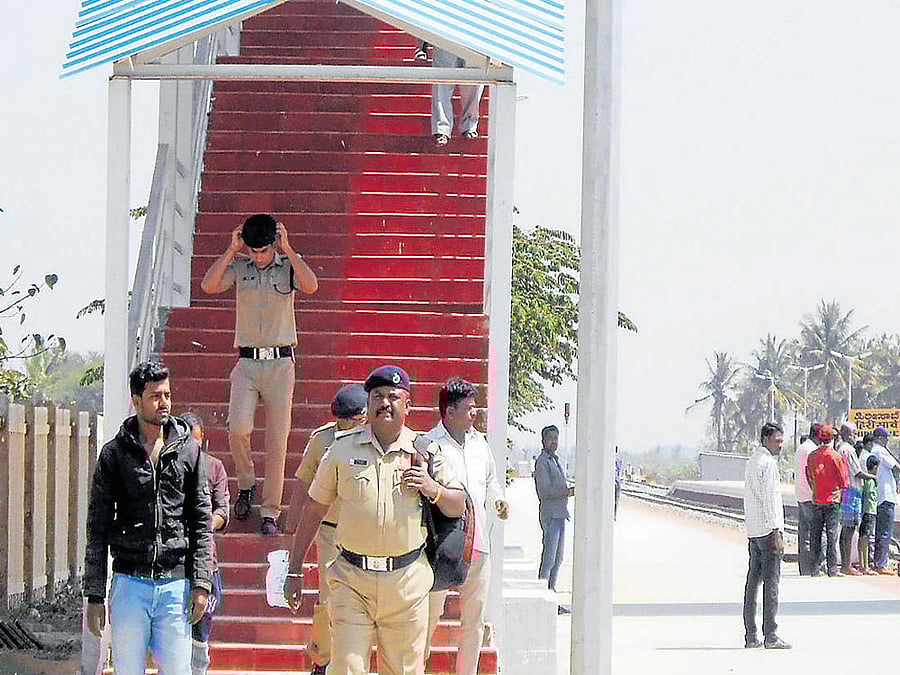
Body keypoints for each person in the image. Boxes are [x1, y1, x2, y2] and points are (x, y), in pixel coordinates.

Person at [283, 365, 466, 674]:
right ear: (367, 405)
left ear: (408, 405)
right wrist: (294, 569)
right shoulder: (341, 449)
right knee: (347, 668)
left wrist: (431, 487)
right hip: (352, 582)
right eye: (377, 396)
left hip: (406, 584)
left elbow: (458, 504)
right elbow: (314, 508)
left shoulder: (426, 451)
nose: (385, 403)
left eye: (393, 396)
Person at [83, 362, 213, 674]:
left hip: (175, 585)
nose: (165, 403)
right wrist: (95, 594)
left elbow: (201, 522)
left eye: (167, 395)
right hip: (129, 585)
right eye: (156, 396)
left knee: (178, 670)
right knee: (128, 669)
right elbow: (97, 527)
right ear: (137, 399)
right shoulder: (114, 454)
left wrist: (201, 583)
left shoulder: (189, 452)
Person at [200, 213, 318, 535]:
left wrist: (289, 249)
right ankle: (247, 482)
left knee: (277, 441)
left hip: (280, 363)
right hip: (248, 362)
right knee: (238, 427)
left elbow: (311, 285)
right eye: (253, 251)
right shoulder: (240, 268)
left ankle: (269, 512)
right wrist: (231, 250)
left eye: (263, 251)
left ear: (273, 245)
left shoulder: (286, 267)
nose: (258, 256)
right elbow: (208, 285)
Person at [424, 378, 509, 675]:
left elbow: (491, 481)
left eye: (475, 408)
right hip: (442, 547)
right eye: (469, 409)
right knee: (429, 617)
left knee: (474, 622)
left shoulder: (480, 443)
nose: (474, 414)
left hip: (478, 545)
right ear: (449, 412)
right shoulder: (429, 445)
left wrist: (499, 500)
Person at [282, 383, 368, 675]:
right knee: (328, 599)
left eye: (354, 421)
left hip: (366, 532)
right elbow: (304, 480)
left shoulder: (373, 439)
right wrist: (291, 520)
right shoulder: (322, 440)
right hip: (330, 530)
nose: (348, 427)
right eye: (342, 421)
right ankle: (322, 659)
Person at [182, 412, 230, 675]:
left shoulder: (214, 468)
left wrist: (203, 525)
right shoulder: (167, 468)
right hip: (175, 562)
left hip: (205, 562)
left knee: (201, 629)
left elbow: (223, 511)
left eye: (196, 442)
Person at [742, 422, 790, 650]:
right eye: (777, 441)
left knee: (752, 583)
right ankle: (771, 635)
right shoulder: (768, 464)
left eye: (781, 441)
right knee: (771, 584)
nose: (780, 445)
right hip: (768, 531)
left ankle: (751, 635)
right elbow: (771, 500)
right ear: (765, 440)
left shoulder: (752, 461)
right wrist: (776, 532)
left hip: (754, 530)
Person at [534, 425, 574, 607]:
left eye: (556, 438)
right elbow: (545, 491)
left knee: (558, 559)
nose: (554, 442)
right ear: (543, 440)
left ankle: (551, 597)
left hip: (560, 514)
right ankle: (542, 598)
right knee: (549, 558)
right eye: (550, 438)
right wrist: (567, 492)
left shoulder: (554, 460)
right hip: (550, 515)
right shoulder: (542, 462)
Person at [805, 424, 848, 577]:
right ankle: (832, 569)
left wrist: (815, 488)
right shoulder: (836, 456)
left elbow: (808, 475)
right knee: (832, 535)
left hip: (817, 499)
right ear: (832, 438)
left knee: (815, 535)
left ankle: (815, 568)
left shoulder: (812, 456)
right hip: (833, 501)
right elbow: (843, 479)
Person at [837, 422, 874, 575]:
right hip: (851, 491)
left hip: (846, 491)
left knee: (847, 528)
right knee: (849, 527)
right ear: (846, 433)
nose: (855, 436)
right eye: (853, 433)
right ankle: (847, 565)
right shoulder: (848, 449)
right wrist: (872, 477)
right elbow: (857, 472)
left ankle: (846, 564)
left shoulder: (841, 448)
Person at [430, 47, 485, 146]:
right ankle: (442, 129)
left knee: (474, 78)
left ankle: (469, 125)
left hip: (474, 36)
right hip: (445, 35)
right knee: (441, 79)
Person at [870, 427, 900, 573]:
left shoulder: (872, 450)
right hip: (886, 495)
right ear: (881, 438)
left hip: (881, 495)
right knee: (885, 531)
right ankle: (880, 564)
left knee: (880, 530)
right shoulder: (880, 451)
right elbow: (896, 466)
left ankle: (878, 561)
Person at [794, 425, 819, 576]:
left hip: (800, 495)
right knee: (814, 534)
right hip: (811, 495)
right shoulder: (812, 451)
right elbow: (812, 475)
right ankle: (814, 567)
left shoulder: (801, 448)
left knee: (804, 534)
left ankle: (804, 568)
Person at [858, 454, 880, 575]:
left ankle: (863, 564)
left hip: (866, 511)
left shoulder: (867, 480)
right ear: (875, 467)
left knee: (863, 538)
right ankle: (865, 565)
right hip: (869, 511)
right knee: (865, 538)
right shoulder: (871, 481)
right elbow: (868, 496)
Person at [614, 446, 623, 519]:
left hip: (610, 481)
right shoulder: (618, 459)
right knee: (616, 499)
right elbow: (619, 470)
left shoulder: (607, 458)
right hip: (617, 481)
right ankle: (614, 515)